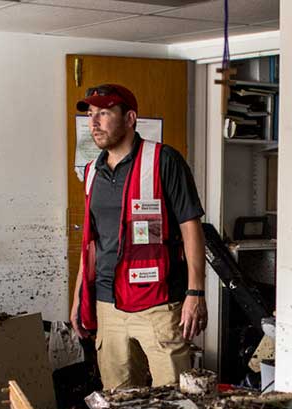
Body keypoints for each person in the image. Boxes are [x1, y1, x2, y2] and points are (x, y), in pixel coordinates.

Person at [69, 83, 208, 390]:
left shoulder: (164, 160)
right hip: (108, 304)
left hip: (158, 304)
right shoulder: (92, 171)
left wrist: (195, 293)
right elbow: (92, 243)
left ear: (130, 118)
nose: (94, 123)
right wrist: (80, 296)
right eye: (91, 114)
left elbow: (191, 227)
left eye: (104, 113)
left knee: (173, 398)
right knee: (119, 399)